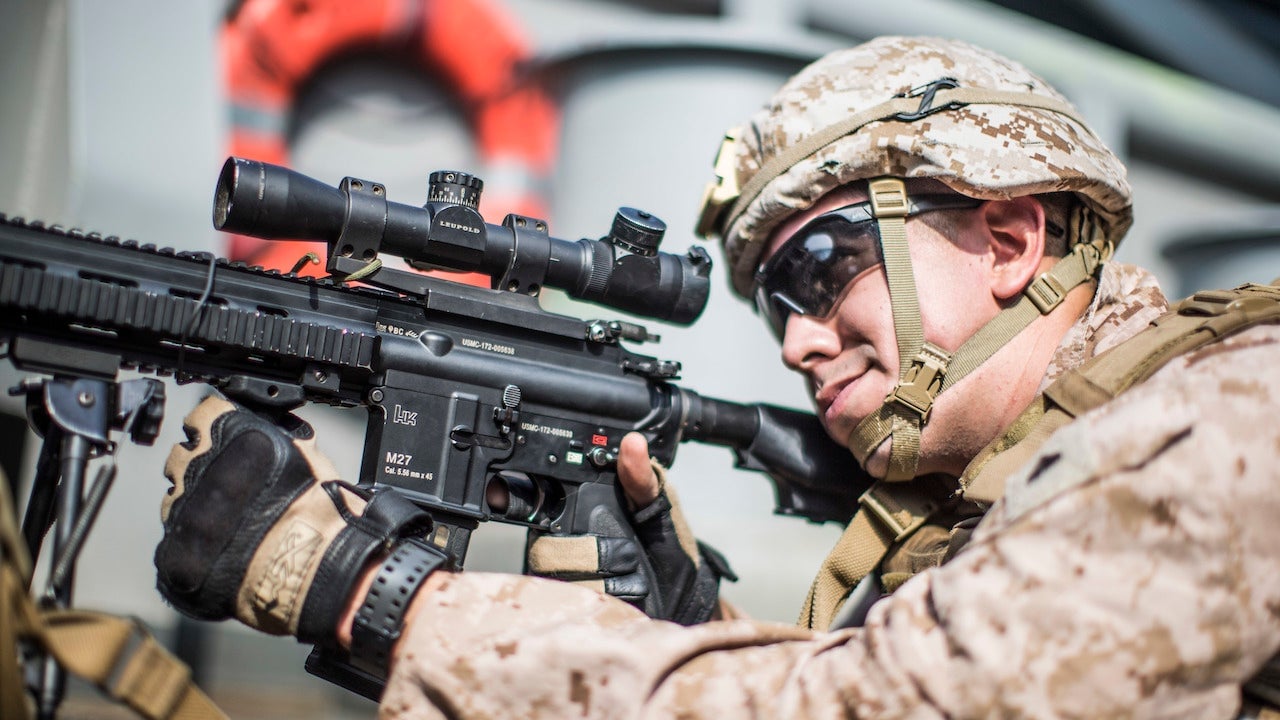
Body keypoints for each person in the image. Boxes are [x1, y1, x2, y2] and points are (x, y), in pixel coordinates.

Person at [153, 36, 1280, 718]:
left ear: (1007, 241)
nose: (793, 342)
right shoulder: (1002, 494)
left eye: (818, 266)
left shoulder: (1227, 419)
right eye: (772, 305)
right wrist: (693, 622)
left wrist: (382, 596)